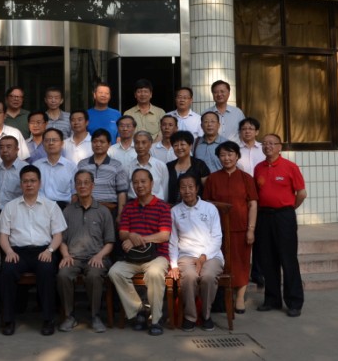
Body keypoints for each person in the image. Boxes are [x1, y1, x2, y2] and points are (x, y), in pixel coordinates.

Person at [0, 165, 67, 336]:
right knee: (7, 271)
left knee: (47, 271)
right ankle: (8, 320)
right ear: (21, 184)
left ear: (39, 183)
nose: (29, 184)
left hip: (43, 251)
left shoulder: (51, 206)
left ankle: (48, 319)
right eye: (25, 181)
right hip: (17, 252)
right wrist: (9, 252)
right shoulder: (10, 207)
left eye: (33, 181)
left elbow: (58, 235)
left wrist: (50, 250)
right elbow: (3, 236)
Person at [107, 168, 172, 336]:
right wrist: (131, 235)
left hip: (157, 256)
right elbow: (122, 233)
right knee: (115, 272)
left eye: (143, 181)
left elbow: (164, 235)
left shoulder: (162, 207)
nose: (139, 185)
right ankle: (139, 310)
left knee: (154, 273)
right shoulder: (129, 207)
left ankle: (155, 320)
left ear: (152, 183)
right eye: (135, 182)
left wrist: (139, 239)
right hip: (133, 257)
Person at [254, 134, 306, 318]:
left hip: (284, 216)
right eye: (264, 143)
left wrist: (289, 208)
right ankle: (272, 299)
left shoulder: (290, 167)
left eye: (271, 143)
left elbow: (301, 193)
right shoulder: (258, 168)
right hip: (264, 217)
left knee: (288, 259)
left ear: (279, 147)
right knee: (268, 259)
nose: (267, 146)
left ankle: (294, 302)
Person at [204, 140, 258, 314]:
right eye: (222, 155)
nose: (226, 158)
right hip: (217, 230)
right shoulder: (213, 178)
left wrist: (251, 229)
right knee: (221, 263)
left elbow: (253, 205)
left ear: (237, 156)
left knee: (241, 262)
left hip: (240, 228)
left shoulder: (246, 178)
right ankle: (221, 298)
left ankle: (240, 297)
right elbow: (206, 205)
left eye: (230, 154)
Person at [57, 170, 115, 333]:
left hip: (97, 257)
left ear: (92, 185)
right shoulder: (67, 211)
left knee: (94, 275)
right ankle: (69, 316)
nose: (82, 186)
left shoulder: (103, 211)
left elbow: (110, 242)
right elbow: (61, 239)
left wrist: (100, 255)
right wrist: (65, 255)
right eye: (79, 183)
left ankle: (95, 316)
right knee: (63, 275)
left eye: (86, 182)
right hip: (73, 257)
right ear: (75, 186)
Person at [168, 174, 224, 332]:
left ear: (197, 188)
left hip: (211, 255)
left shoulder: (210, 208)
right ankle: (190, 317)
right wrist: (173, 265)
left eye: (191, 187)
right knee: (189, 276)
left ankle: (206, 315)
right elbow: (173, 241)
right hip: (185, 255)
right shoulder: (175, 211)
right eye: (183, 187)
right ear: (179, 190)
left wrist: (203, 258)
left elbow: (217, 237)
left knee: (208, 276)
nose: (187, 191)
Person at [76, 128, 128, 216]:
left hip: (109, 210)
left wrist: (120, 215)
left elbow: (122, 192)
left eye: (102, 142)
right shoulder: (82, 165)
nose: (98, 144)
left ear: (109, 144)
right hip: (86, 209)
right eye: (95, 141)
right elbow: (76, 190)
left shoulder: (117, 166)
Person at [166, 130, 210, 205]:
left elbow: (207, 189)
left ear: (190, 146)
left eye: (182, 144)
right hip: (173, 207)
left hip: (195, 207)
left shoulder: (199, 165)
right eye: (175, 145)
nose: (179, 148)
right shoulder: (168, 166)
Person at [37, 128, 77, 207]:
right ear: (43, 144)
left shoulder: (71, 167)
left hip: (63, 207)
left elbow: (75, 193)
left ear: (62, 143)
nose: (51, 143)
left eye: (54, 140)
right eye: (47, 140)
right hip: (40, 206)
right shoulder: (36, 166)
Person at [126, 130, 168, 202]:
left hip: (156, 205)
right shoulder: (128, 167)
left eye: (144, 142)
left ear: (150, 144)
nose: (140, 146)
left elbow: (165, 190)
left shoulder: (160, 166)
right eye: (137, 143)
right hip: (134, 205)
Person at [0, 133, 28, 211]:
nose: (4, 150)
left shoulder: (25, 169)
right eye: (1, 147)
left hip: (16, 211)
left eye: (8, 147)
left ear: (17, 150)